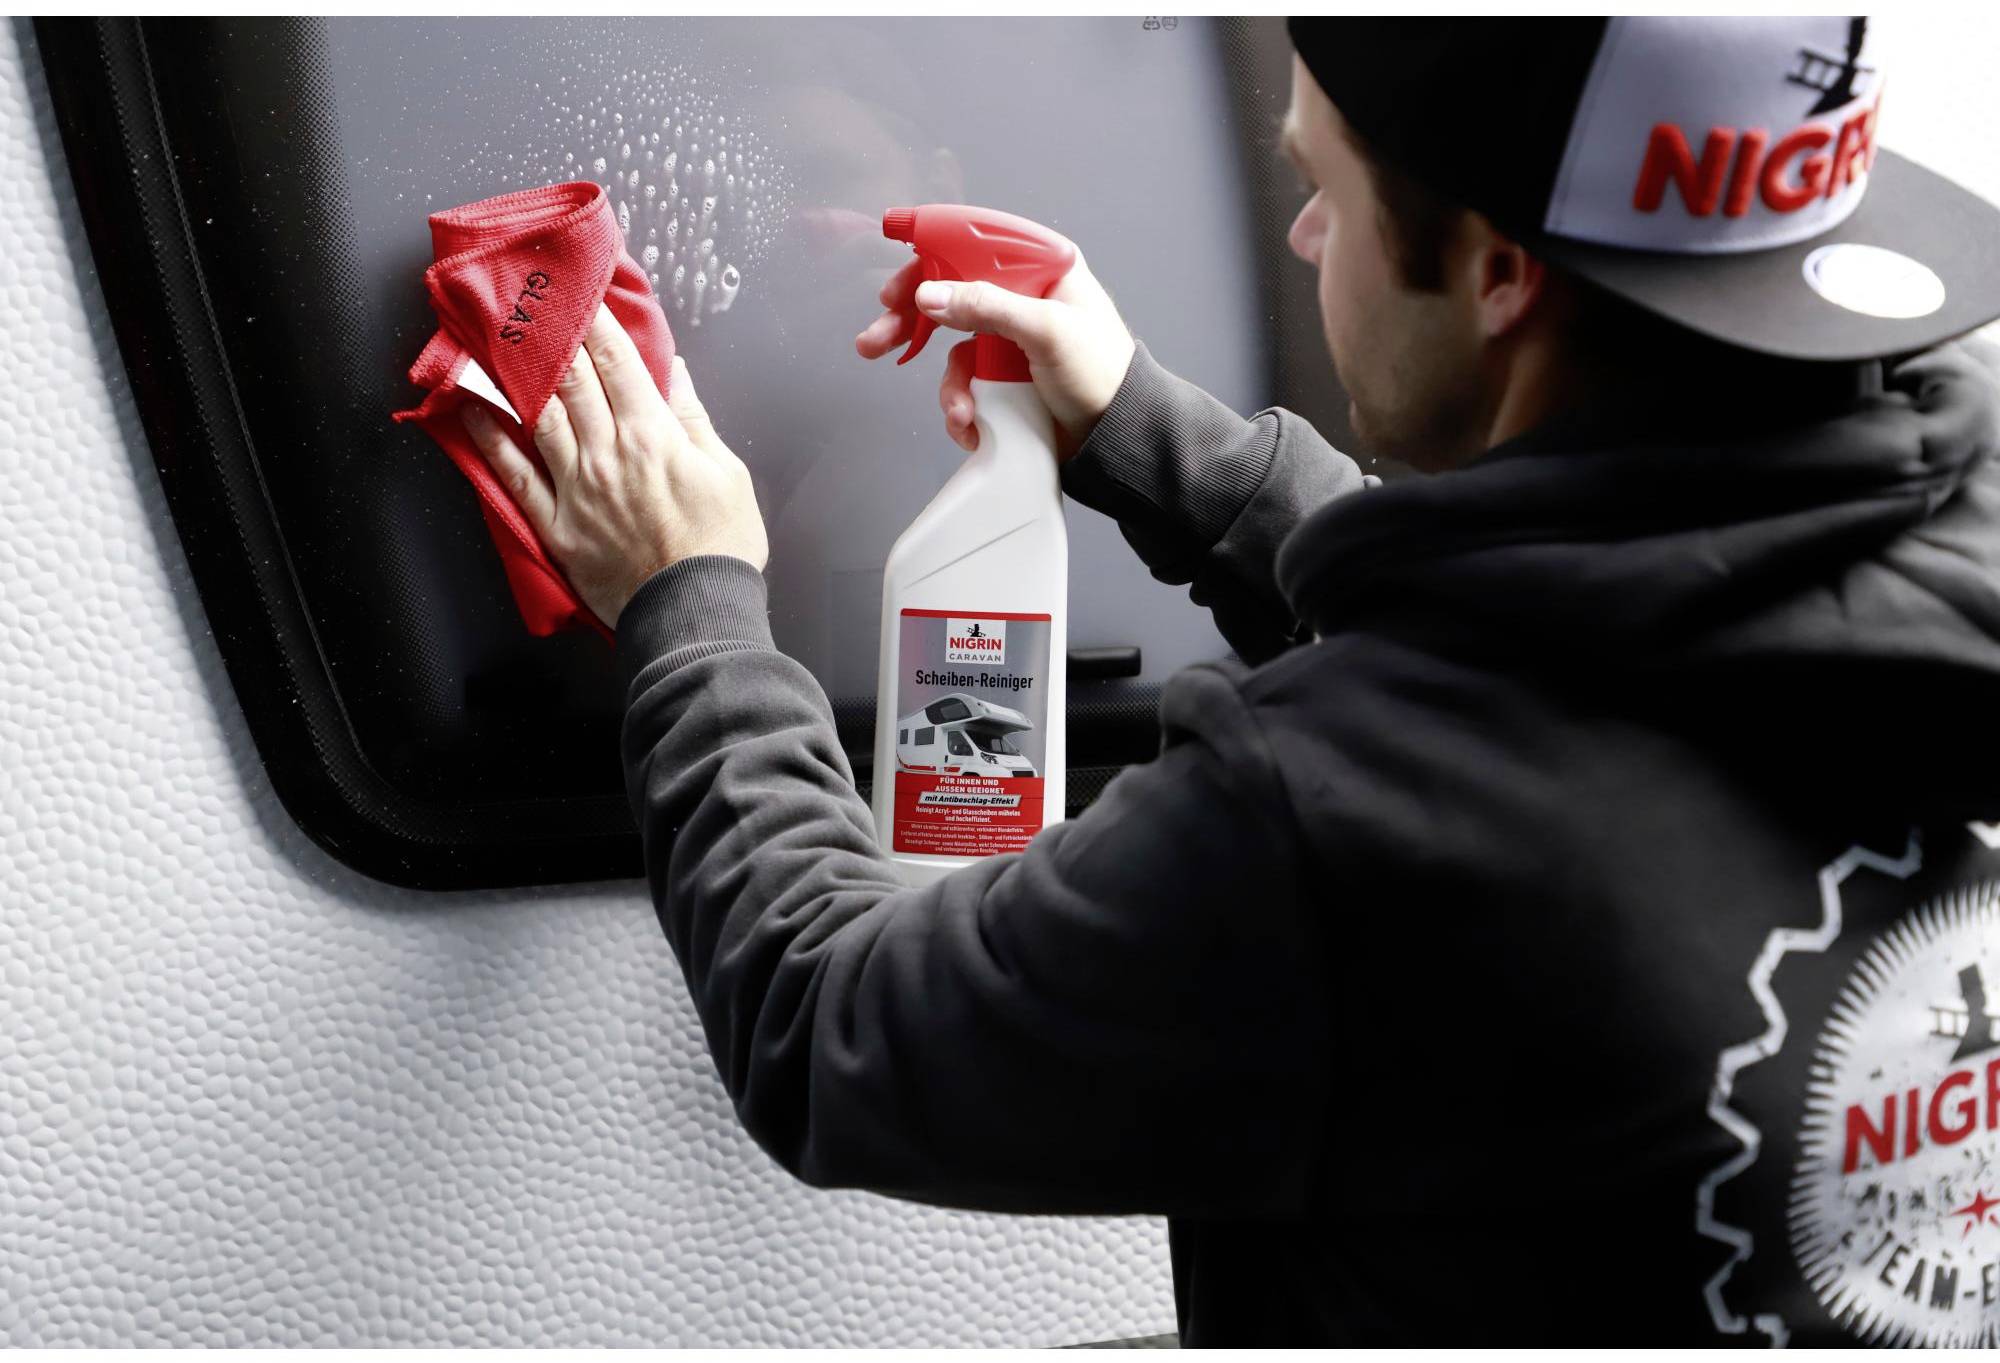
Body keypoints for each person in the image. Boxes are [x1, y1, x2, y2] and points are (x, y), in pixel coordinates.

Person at [457, 17, 2000, 1346]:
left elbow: (831, 1024)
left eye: (1321, 187)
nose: (1302, 238)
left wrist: (690, 595)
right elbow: (1582, 643)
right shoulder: (1933, 576)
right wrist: (1143, 434)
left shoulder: (1324, 824)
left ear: (1501, 272)